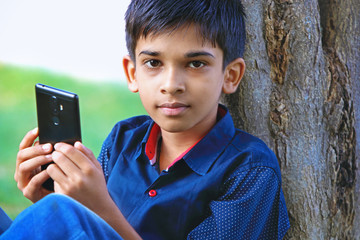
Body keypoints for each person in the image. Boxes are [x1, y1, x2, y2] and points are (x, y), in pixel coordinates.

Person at [1, 0, 290, 239]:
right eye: (154, 63)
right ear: (132, 73)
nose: (171, 84)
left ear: (230, 75)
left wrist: (90, 209)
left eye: (196, 64)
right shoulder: (124, 139)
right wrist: (51, 197)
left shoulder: (249, 171)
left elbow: (94, 218)